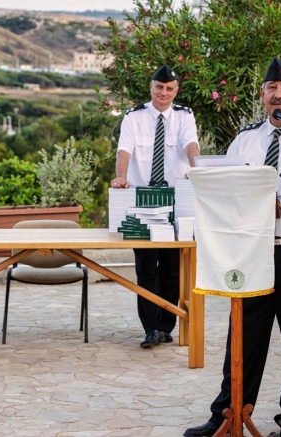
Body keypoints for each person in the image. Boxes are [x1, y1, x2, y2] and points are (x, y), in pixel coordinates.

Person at [184, 57, 281, 437]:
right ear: (262, 95)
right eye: (272, 88)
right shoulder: (245, 139)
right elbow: (229, 190)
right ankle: (227, 411)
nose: (279, 94)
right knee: (243, 335)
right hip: (253, 249)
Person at [111, 64, 200, 348]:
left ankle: (167, 324)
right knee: (146, 267)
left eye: (169, 88)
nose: (163, 93)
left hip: (176, 199)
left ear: (176, 91)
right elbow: (124, 150)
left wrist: (200, 171)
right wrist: (121, 176)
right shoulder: (134, 117)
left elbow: (191, 146)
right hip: (144, 200)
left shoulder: (185, 117)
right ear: (151, 87)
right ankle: (150, 328)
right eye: (159, 87)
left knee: (172, 268)